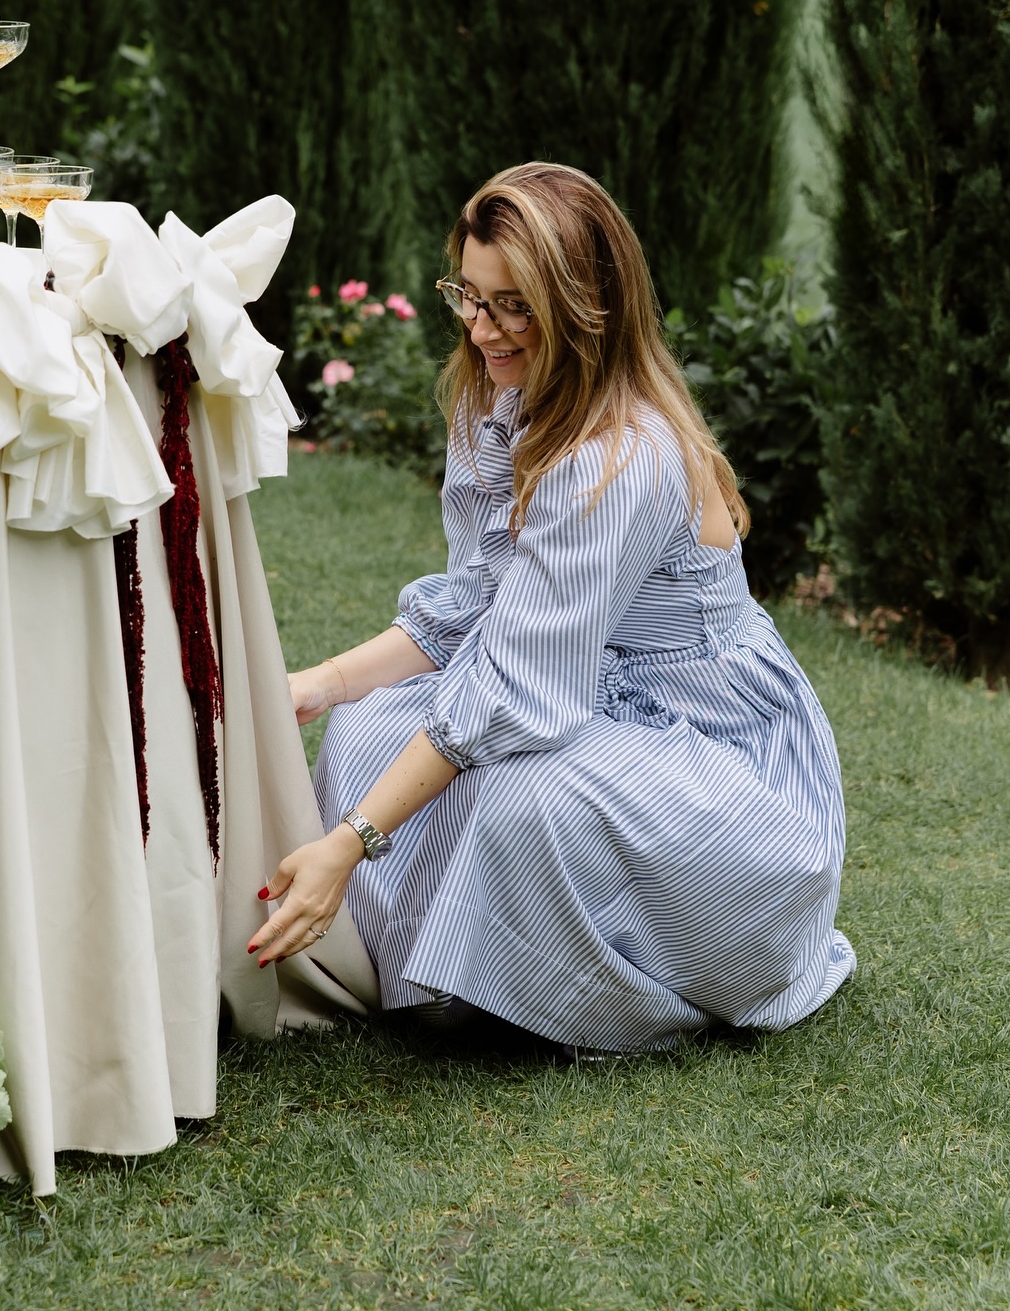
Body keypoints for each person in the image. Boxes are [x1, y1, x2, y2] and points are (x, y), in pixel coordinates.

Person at [250, 162, 855, 1048]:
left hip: (719, 753)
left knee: (529, 795)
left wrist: (348, 844)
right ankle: (457, 962)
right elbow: (472, 605)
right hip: (592, 697)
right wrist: (320, 684)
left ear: (584, 309)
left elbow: (517, 680)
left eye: (514, 306)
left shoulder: (623, 454)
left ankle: (576, 994)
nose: (482, 327)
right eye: (469, 293)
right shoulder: (501, 399)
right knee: (370, 729)